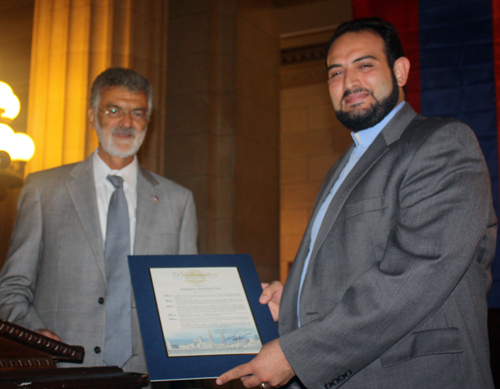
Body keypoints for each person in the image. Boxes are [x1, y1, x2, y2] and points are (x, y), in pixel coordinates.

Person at [217, 17, 497, 388]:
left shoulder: (442, 144)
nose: (349, 83)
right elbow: (356, 265)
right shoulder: (343, 166)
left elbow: (417, 274)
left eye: (364, 65)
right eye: (336, 73)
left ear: (399, 71)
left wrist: (297, 353)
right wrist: (297, 298)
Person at [0, 67, 198, 375]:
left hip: (146, 376)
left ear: (148, 121)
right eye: (114, 110)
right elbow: (13, 286)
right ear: (93, 116)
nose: (126, 123)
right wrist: (33, 335)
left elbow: (188, 298)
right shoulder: (43, 190)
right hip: (61, 371)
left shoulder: (179, 201)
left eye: (138, 113)